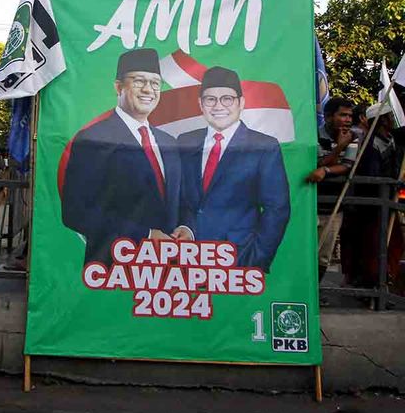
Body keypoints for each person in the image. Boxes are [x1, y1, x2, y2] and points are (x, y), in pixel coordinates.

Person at [59, 48, 188, 266]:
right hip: (115, 265)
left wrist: (185, 228)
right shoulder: (93, 138)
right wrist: (145, 235)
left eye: (155, 83)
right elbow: (76, 212)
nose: (149, 89)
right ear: (118, 87)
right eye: (139, 81)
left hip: (169, 270)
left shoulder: (169, 142)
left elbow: (181, 199)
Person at [177, 67, 290, 272]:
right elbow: (179, 198)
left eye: (227, 98)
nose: (218, 106)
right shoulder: (185, 141)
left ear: (241, 103)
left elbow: (277, 209)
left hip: (238, 259)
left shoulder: (264, 146)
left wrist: (256, 259)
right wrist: (185, 228)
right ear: (200, 105)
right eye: (210, 99)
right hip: (187, 259)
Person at [352, 102, 403, 289]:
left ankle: (387, 279)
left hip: (388, 200)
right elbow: (372, 175)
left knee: (394, 244)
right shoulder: (372, 145)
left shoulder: (390, 139)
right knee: (375, 246)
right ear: (382, 120)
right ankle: (376, 284)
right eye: (390, 117)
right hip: (374, 206)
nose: (393, 120)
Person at [306, 97, 357, 281]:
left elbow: (347, 165)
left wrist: (326, 170)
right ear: (328, 117)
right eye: (343, 115)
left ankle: (315, 294)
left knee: (324, 254)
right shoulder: (314, 136)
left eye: (350, 115)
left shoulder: (353, 136)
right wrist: (338, 150)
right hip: (309, 202)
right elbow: (316, 163)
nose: (348, 120)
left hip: (335, 206)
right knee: (304, 250)